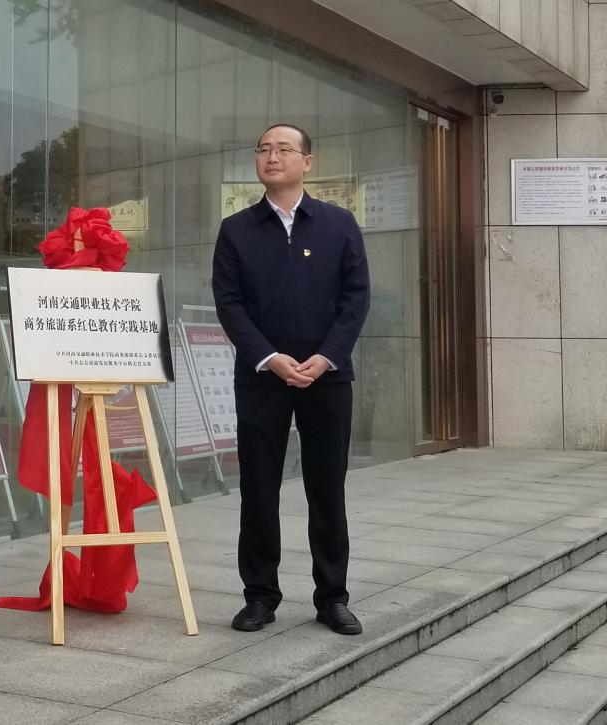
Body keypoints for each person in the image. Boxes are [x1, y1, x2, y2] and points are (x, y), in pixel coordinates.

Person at [212, 123, 370, 635]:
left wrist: (327, 357)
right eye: (264, 149)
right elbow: (229, 303)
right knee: (259, 489)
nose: (272, 156)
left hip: (328, 377)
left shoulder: (338, 223)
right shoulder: (236, 229)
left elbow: (356, 298)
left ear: (308, 162)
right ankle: (259, 596)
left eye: (284, 149)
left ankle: (333, 597)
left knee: (327, 488)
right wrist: (268, 357)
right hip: (262, 377)